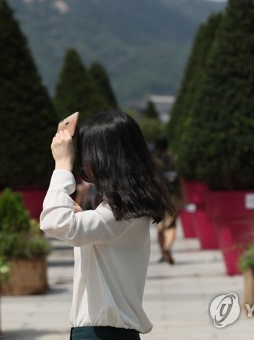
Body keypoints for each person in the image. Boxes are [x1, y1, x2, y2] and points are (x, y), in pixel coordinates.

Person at [40, 110, 174, 340]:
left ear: (103, 158)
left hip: (101, 334)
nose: (84, 162)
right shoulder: (127, 210)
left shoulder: (118, 213)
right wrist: (83, 217)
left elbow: (54, 223)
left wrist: (62, 166)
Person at [152, 138, 182, 265]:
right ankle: (168, 247)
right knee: (171, 225)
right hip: (172, 196)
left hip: (158, 196)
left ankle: (163, 253)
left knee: (160, 227)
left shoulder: (153, 161)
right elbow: (181, 179)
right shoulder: (174, 159)